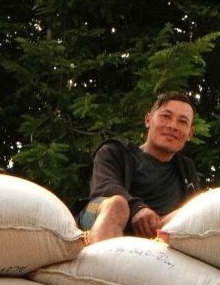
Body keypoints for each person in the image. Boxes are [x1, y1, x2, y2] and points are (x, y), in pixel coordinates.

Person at [79, 91, 201, 243]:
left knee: (194, 211)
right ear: (148, 120)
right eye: (166, 116)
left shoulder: (186, 169)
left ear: (190, 133)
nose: (172, 126)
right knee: (117, 204)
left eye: (182, 122)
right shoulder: (114, 151)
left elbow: (193, 212)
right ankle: (101, 257)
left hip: (158, 232)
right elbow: (104, 187)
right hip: (100, 215)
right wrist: (137, 208)